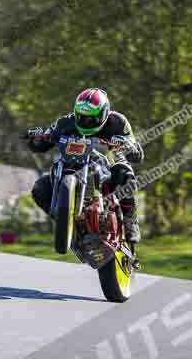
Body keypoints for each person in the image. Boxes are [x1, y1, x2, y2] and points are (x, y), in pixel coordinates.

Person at [24, 88, 144, 247]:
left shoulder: (118, 122)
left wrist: (129, 147)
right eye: (81, 117)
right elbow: (42, 143)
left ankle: (130, 221)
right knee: (40, 187)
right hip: (73, 167)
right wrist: (37, 140)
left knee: (123, 171)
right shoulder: (66, 122)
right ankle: (67, 224)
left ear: (104, 113)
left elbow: (137, 155)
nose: (86, 122)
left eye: (92, 118)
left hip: (107, 167)